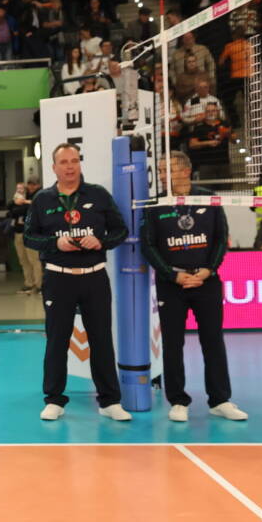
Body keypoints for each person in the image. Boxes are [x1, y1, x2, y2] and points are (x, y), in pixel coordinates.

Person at [23, 143, 130, 422]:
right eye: (64, 162)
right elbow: (29, 237)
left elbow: (121, 230)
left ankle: (109, 401)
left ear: (80, 164)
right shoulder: (42, 199)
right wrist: (55, 243)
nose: (70, 167)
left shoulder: (98, 195)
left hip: (94, 276)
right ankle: (54, 399)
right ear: (54, 167)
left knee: (101, 339)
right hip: (58, 277)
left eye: (74, 161)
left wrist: (101, 241)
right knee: (57, 341)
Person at [141, 154, 247, 423]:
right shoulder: (155, 204)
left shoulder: (208, 199)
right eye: (161, 170)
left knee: (213, 341)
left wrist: (209, 269)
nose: (163, 175)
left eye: (168, 170)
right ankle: (178, 400)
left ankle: (220, 400)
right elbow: (148, 245)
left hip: (206, 281)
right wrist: (172, 275)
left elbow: (221, 238)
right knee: (172, 343)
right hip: (172, 285)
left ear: (187, 171)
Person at [8, 177, 43, 292]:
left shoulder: (40, 195)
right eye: (29, 184)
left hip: (31, 233)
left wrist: (21, 205)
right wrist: (16, 203)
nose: (31, 187)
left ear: (38, 185)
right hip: (19, 232)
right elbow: (10, 208)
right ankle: (29, 283)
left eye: (34, 184)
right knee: (23, 260)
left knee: (34, 259)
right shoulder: (23, 195)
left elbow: (29, 209)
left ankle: (39, 285)